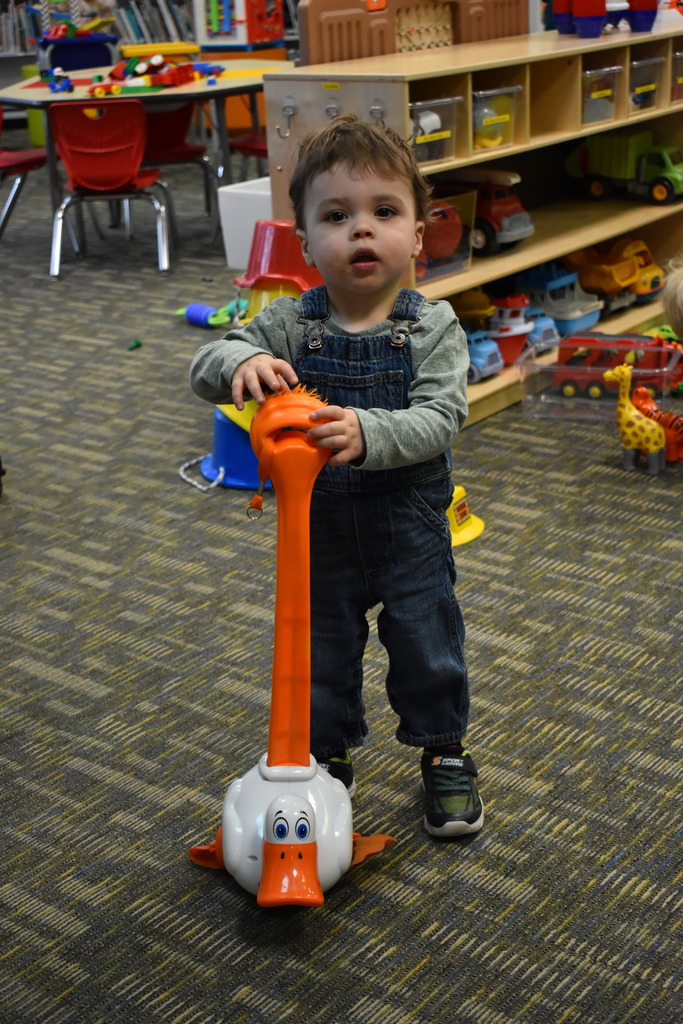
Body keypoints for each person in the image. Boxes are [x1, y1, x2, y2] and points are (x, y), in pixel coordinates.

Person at [189, 114, 484, 838]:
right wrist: (239, 364)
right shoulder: (291, 323)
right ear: (305, 241)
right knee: (317, 650)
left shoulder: (433, 326)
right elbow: (204, 365)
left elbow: (441, 418)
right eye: (336, 215)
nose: (360, 230)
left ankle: (444, 754)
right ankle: (322, 760)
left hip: (408, 525)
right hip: (315, 530)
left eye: (383, 212)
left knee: (427, 645)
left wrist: (367, 431)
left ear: (416, 234)